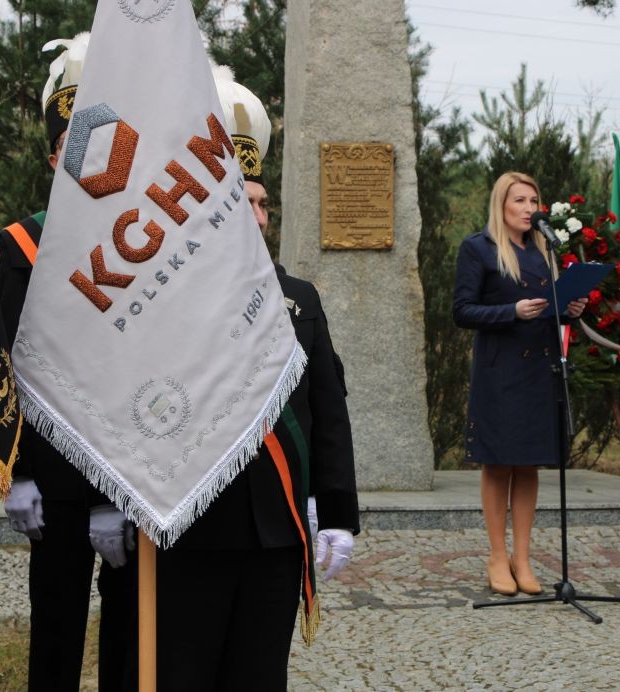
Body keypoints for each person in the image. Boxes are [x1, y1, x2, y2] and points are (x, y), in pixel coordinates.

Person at [153, 69, 360, 691]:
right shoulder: (166, 298)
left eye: (263, 203)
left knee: (260, 676)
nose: (258, 215)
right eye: (242, 202)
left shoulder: (300, 300)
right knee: (184, 675)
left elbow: (327, 411)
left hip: (276, 531)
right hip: (191, 529)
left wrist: (336, 511)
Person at [0, 33, 137, 692]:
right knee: (55, 628)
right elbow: (1, 364)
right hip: (50, 480)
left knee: (128, 632)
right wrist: (16, 474)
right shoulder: (15, 248)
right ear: (55, 158)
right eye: (71, 152)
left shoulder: (134, 247)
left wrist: (121, 491)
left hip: (128, 477)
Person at [452, 172, 587, 597]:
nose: (529, 209)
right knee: (498, 463)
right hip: (500, 371)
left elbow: (550, 309)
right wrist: (511, 311)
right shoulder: (479, 248)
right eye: (520, 201)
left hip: (539, 370)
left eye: (533, 201)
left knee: (528, 464)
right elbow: (462, 310)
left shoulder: (543, 251)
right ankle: (497, 556)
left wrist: (570, 307)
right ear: (501, 205)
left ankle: (522, 558)